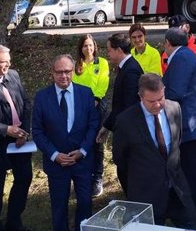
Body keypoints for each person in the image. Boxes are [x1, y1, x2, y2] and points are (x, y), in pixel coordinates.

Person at [113, 73, 196, 229]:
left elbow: (176, 143)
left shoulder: (174, 108)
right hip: (146, 196)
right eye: (151, 101)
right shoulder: (125, 121)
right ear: (140, 96)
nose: (158, 105)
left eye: (160, 98)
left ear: (164, 90)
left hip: (177, 191)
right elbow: (120, 159)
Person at [32, 55, 100, 231]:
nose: (64, 76)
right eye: (59, 72)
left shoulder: (85, 93)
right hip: (57, 164)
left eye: (68, 71)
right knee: (59, 206)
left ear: (73, 71)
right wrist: (55, 155)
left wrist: (83, 151)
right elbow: (38, 132)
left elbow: (93, 125)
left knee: (85, 203)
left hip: (82, 161)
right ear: (52, 73)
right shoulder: (42, 97)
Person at [162, 27, 196, 231]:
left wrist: (155, 101)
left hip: (190, 129)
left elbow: (175, 92)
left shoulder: (181, 58)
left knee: (192, 183)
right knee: (190, 181)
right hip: (195, 126)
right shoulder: (188, 54)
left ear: (168, 43)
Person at [0, 45, 33, 231]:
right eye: (4, 61)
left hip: (20, 141)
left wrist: (23, 131)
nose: (8, 64)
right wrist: (6, 130)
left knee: (24, 178)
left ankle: (14, 220)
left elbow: (25, 103)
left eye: (9, 60)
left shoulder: (13, 75)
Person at [98, 32, 144, 191]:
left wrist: (111, 126)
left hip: (129, 133)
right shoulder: (125, 67)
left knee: (127, 172)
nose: (108, 54)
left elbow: (128, 106)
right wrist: (107, 126)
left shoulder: (130, 71)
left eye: (109, 50)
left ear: (119, 50)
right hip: (124, 129)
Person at [72, 34, 110, 197]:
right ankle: (83, 175)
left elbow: (103, 84)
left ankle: (97, 177)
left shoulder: (101, 63)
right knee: (81, 141)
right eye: (85, 46)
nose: (88, 48)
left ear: (95, 46)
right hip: (79, 108)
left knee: (96, 142)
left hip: (96, 106)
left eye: (90, 45)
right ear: (80, 48)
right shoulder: (76, 65)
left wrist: (95, 99)